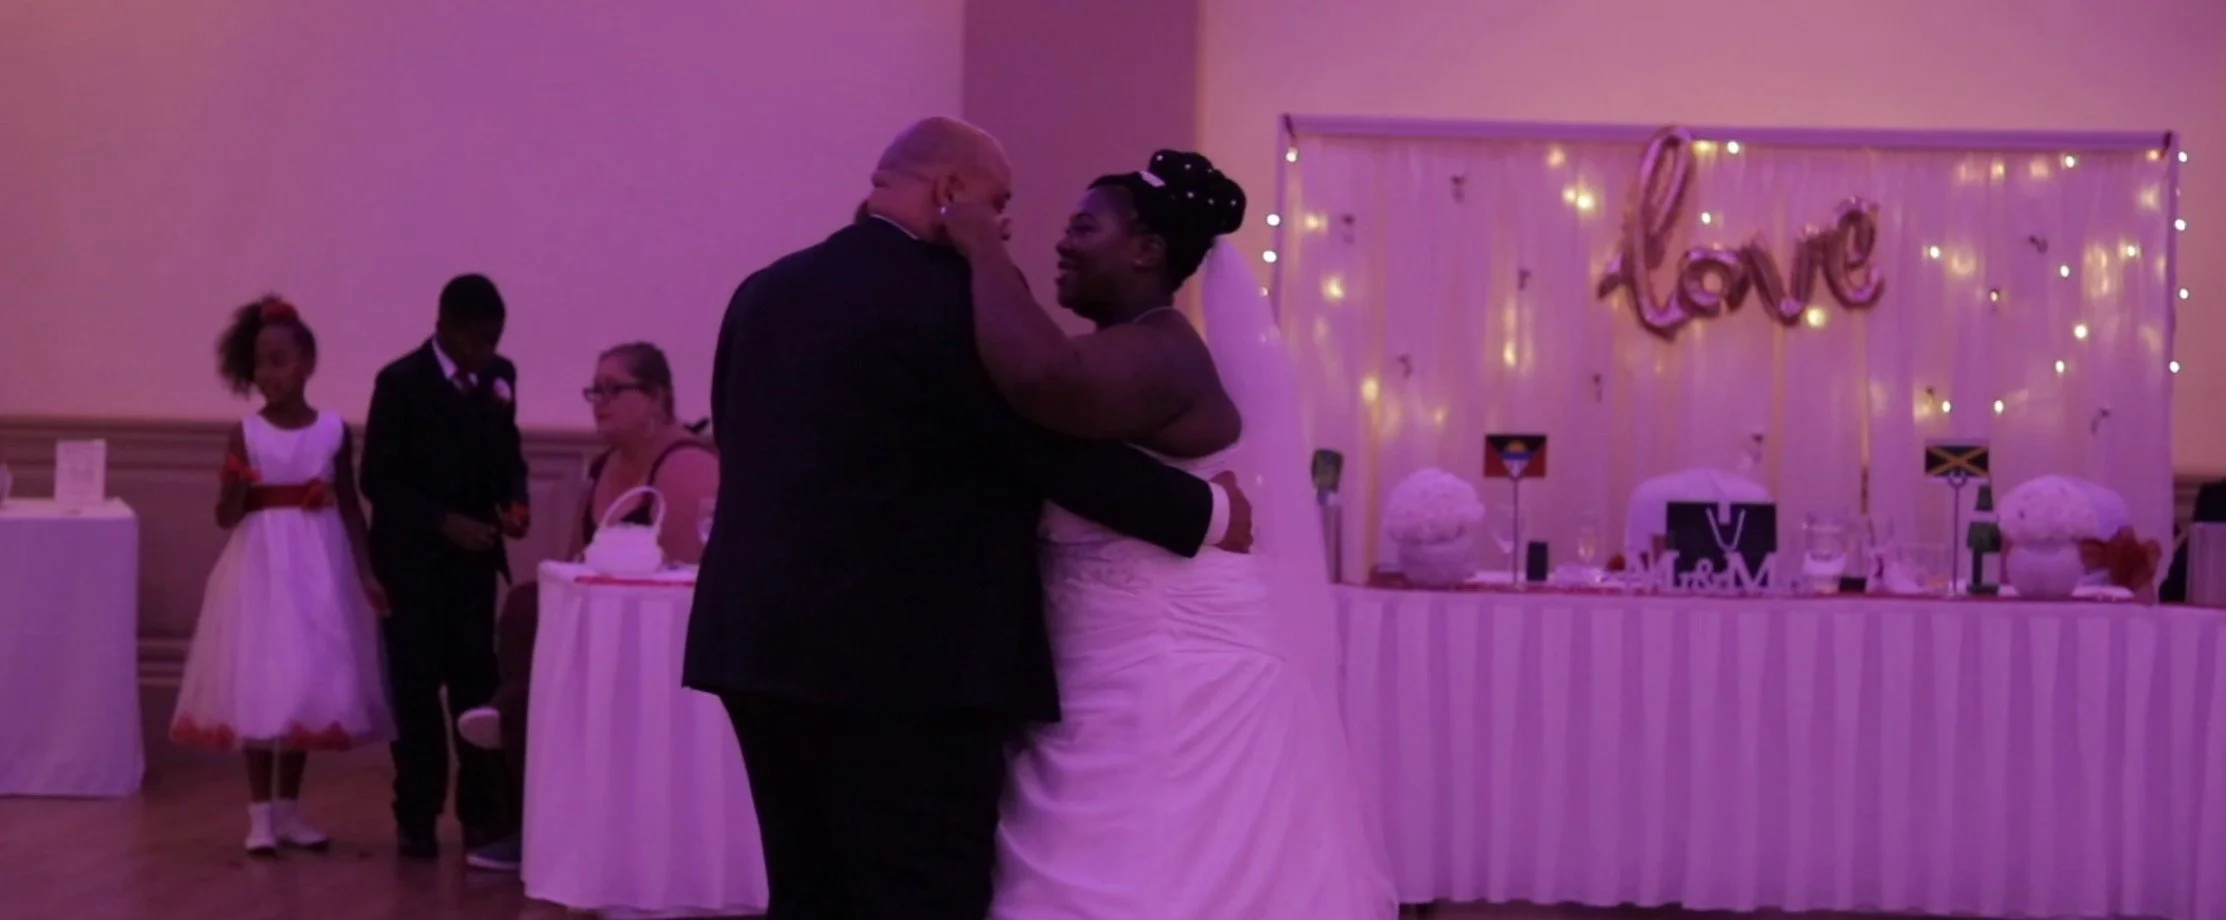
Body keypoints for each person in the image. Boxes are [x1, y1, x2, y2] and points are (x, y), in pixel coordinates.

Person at [683, 117, 1254, 920]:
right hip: (908, 663)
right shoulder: (957, 299)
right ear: (952, 194)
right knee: (922, 890)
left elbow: (742, 441)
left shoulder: (766, 288)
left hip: (756, 645)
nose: (1012, 224)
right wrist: (1206, 509)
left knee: (808, 889)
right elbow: (1044, 447)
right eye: (1001, 201)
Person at [942, 149, 1395, 918]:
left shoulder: (1165, 352)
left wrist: (983, 246)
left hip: (1176, 663)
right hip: (1101, 658)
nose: (1062, 241)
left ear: (1147, 251)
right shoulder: (1125, 350)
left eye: (1085, 227)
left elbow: (1037, 383)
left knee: (1158, 869)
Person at [452, 341, 717, 872]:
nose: (598, 402)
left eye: (612, 390)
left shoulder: (687, 466)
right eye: (594, 390)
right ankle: (536, 818)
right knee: (532, 609)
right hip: (608, 634)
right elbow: (577, 560)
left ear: (656, 397)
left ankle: (508, 718)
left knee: (535, 637)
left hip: (663, 646)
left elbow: (693, 583)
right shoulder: (603, 468)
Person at [170, 296, 395, 856]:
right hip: (262, 572)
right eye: (260, 364)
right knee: (261, 684)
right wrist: (239, 484)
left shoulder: (333, 431)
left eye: (279, 360)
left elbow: (349, 506)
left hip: (318, 571)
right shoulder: (245, 434)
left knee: (305, 686)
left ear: (307, 362)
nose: (268, 374)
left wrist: (367, 573)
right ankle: (260, 816)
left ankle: (291, 812)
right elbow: (225, 517)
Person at [362, 274, 529, 861]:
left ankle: (482, 814)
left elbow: (509, 456)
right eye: (476, 341)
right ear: (443, 327)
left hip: (474, 564)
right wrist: (443, 521)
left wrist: (515, 500)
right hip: (411, 564)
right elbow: (377, 480)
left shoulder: (501, 378)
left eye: (494, 340)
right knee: (415, 690)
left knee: (475, 686)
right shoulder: (400, 383)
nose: (486, 353)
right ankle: (416, 815)